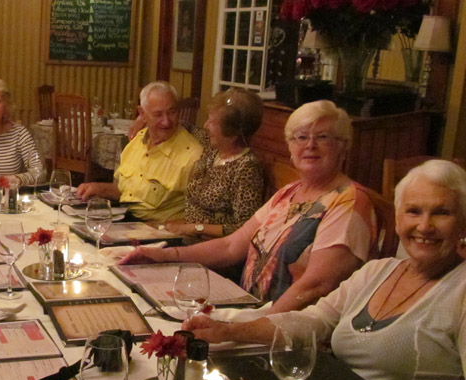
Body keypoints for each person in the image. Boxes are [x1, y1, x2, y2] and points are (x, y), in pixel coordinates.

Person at [185, 160, 466, 380]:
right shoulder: (377, 272)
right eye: (414, 211)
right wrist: (227, 331)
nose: (424, 226)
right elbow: (313, 321)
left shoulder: (460, 290)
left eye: (442, 213)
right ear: (399, 218)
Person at [121, 100, 377, 313]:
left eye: (322, 137)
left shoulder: (349, 202)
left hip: (286, 331)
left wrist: (251, 326)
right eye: (301, 137)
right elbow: (231, 245)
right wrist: (163, 255)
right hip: (246, 307)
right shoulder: (290, 192)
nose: (310, 145)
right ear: (290, 146)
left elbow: (316, 287)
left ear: (343, 146)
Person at [76, 81, 203, 222]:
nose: (166, 122)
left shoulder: (192, 156)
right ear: (142, 114)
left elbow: (199, 217)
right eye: (158, 114)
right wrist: (98, 188)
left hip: (155, 230)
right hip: (123, 219)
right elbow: (126, 191)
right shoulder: (138, 140)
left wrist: (162, 228)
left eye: (172, 112)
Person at [163, 88, 265, 240]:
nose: (206, 125)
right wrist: (143, 120)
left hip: (211, 245)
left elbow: (244, 228)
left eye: (212, 122)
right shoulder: (212, 148)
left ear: (232, 133)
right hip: (185, 235)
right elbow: (186, 127)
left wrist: (194, 228)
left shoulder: (246, 168)